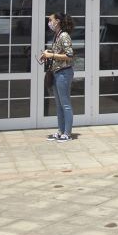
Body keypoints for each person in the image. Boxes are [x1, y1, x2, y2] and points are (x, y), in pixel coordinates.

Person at [40, 12, 75, 142]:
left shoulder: (64, 35)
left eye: (51, 20)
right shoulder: (57, 35)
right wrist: (48, 53)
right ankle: (60, 131)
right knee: (59, 105)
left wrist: (52, 56)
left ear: (58, 21)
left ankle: (67, 133)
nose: (49, 23)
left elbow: (69, 55)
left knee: (65, 104)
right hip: (56, 72)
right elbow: (59, 53)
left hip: (64, 73)